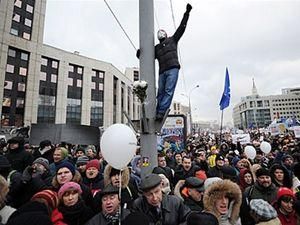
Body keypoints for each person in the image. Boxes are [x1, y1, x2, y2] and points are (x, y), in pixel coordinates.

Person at [136, 3, 193, 120]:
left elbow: (182, 27)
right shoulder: (156, 48)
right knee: (161, 92)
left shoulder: (173, 40)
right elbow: (147, 58)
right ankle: (157, 111)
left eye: (162, 32)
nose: (160, 33)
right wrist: (140, 54)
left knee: (168, 91)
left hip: (173, 69)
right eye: (159, 33)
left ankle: (161, 112)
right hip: (162, 72)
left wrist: (187, 13)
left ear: (166, 34)